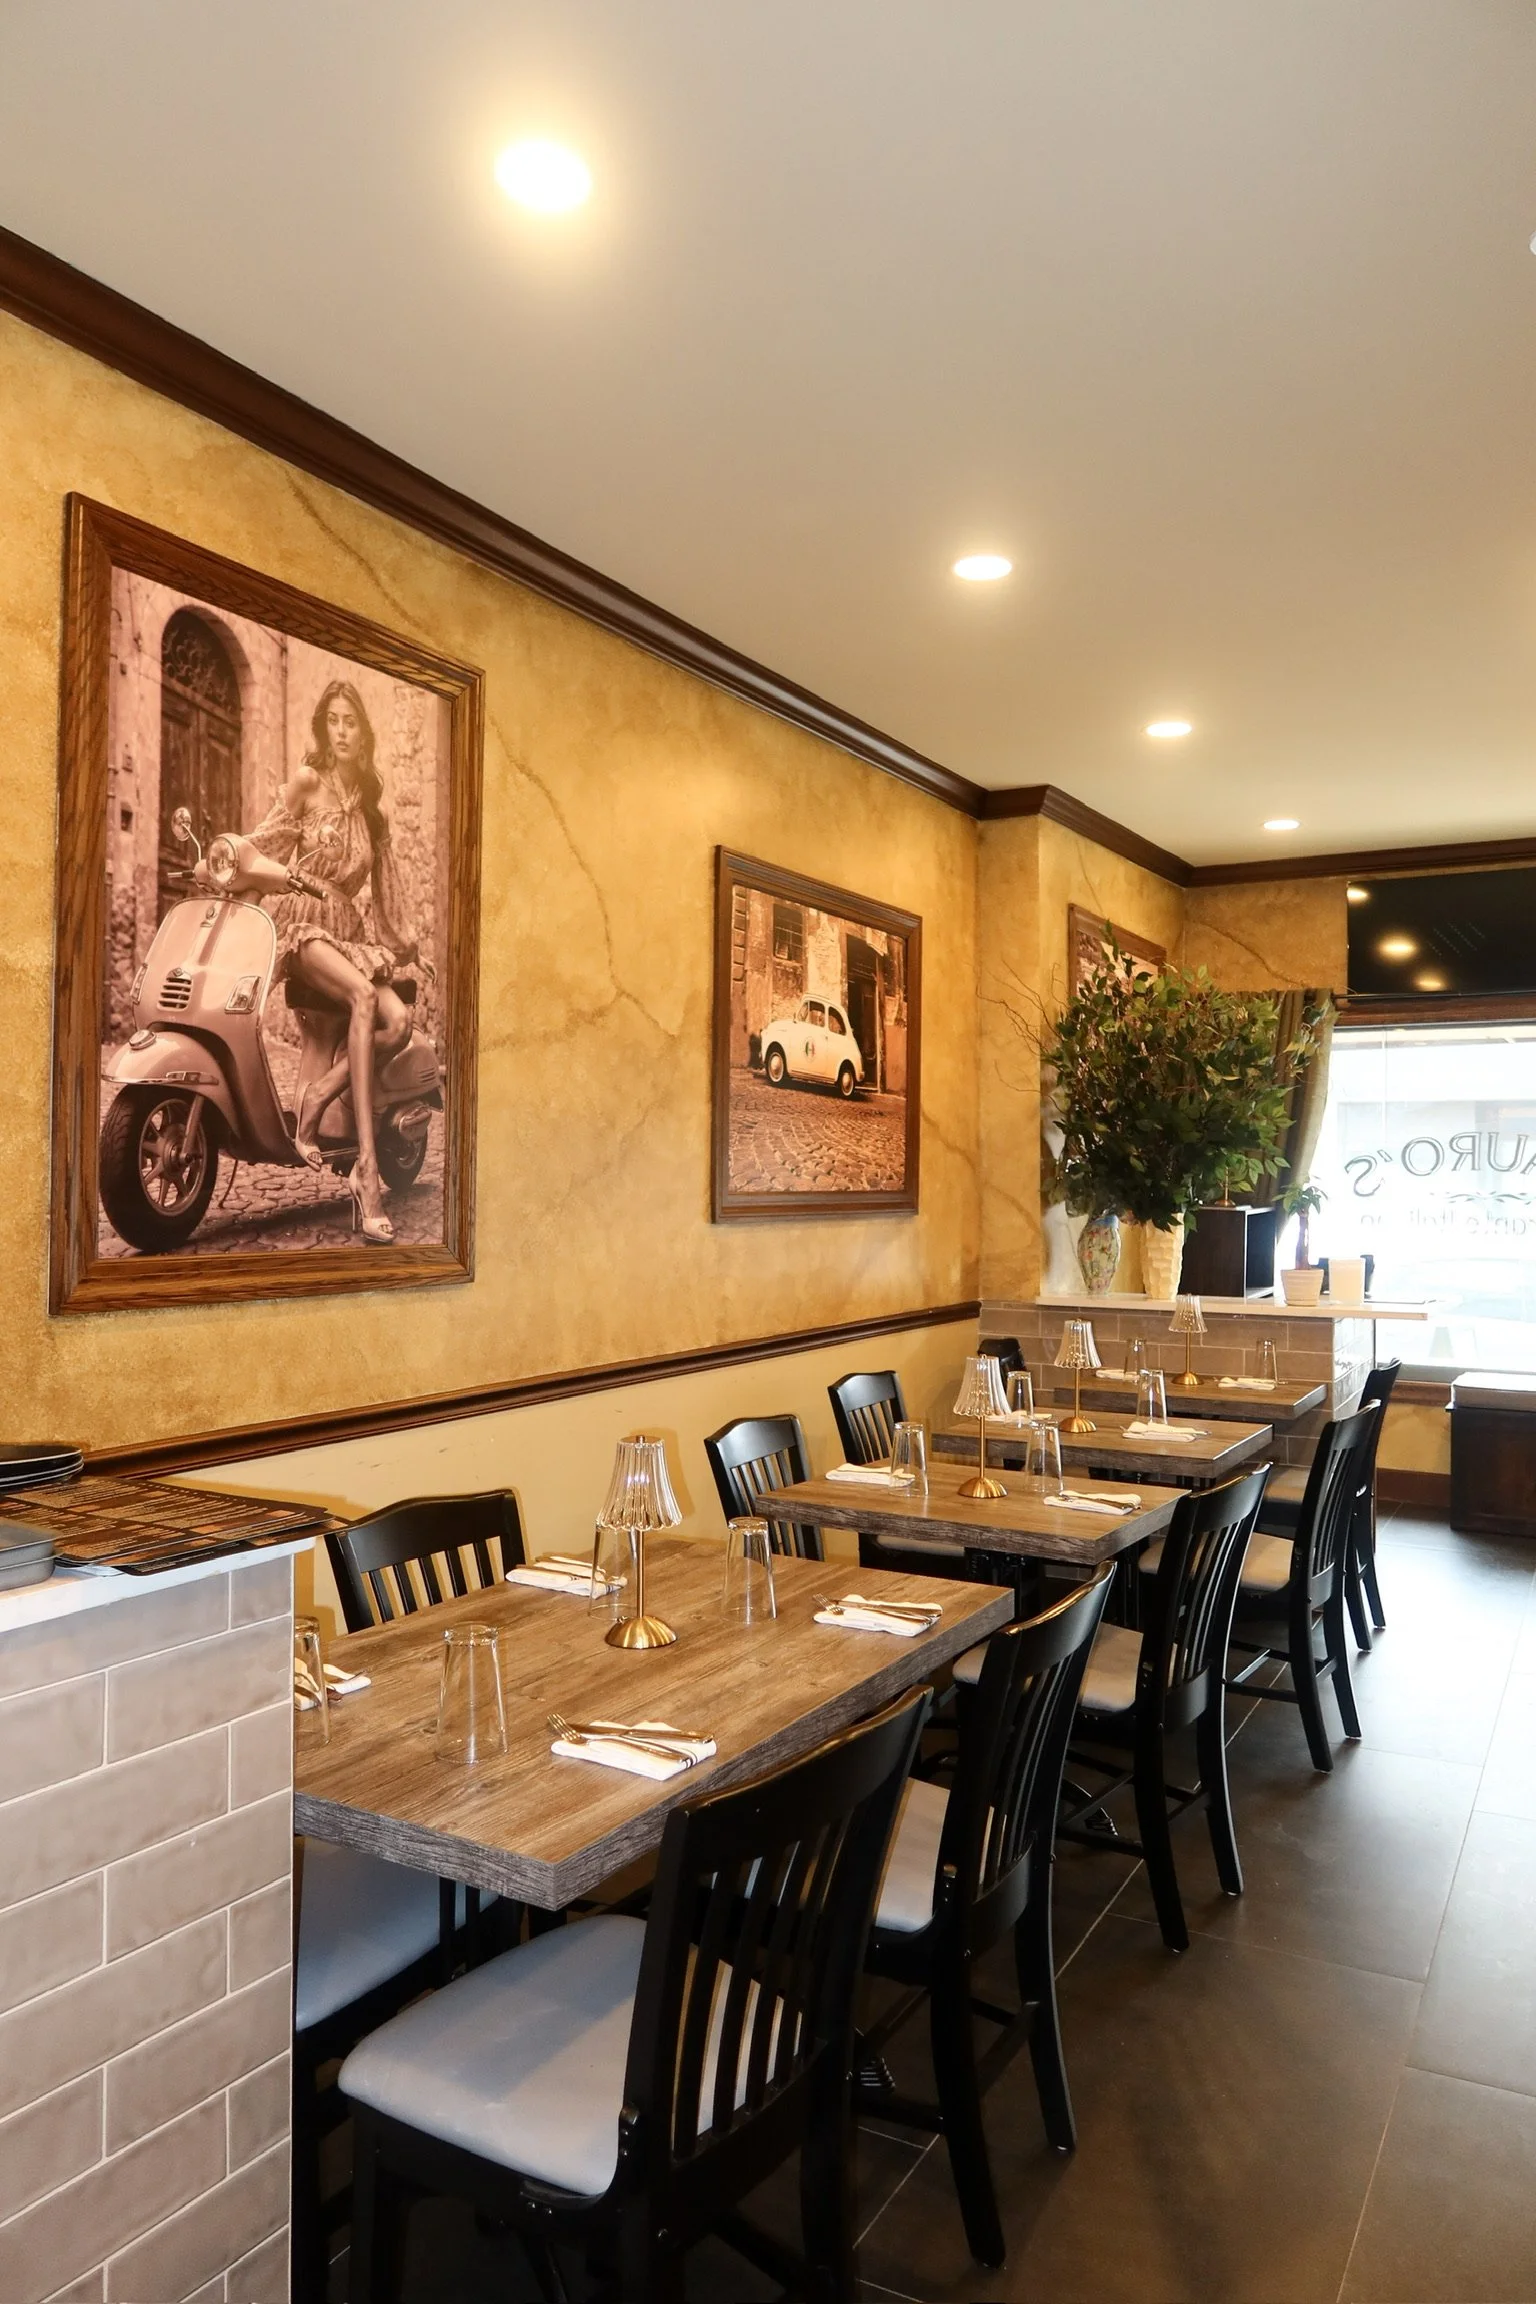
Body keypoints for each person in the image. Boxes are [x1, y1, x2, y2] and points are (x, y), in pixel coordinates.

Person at [234, 680, 424, 1243]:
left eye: (351, 721)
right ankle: (368, 1171)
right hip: (303, 924)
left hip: (348, 933)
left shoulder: (370, 809)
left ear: (364, 733)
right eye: (333, 720)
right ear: (323, 728)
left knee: (400, 1021)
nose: (341, 731)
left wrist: (410, 948)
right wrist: (225, 866)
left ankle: (320, 1094)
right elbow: (261, 846)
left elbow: (387, 894)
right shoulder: (306, 782)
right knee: (364, 997)